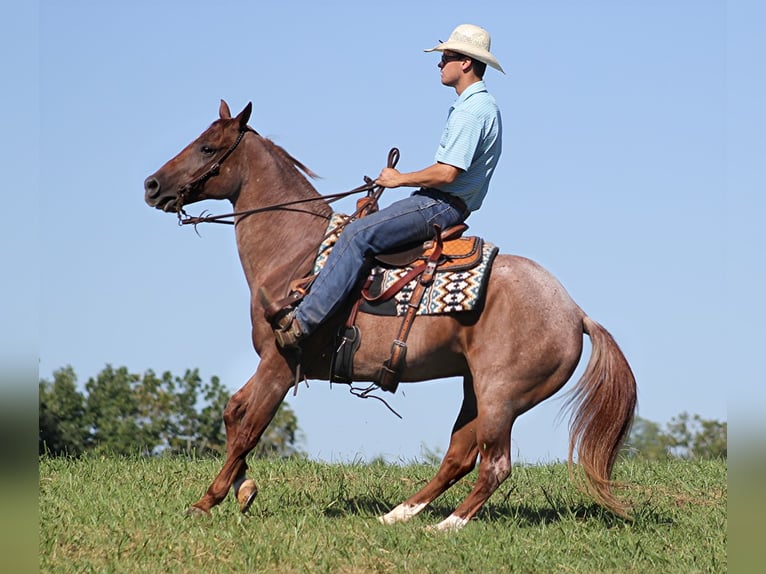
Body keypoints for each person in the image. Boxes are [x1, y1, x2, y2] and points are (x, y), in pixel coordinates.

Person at [273, 23, 504, 348]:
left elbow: (447, 173)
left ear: (465, 62)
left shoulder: (472, 110)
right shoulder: (481, 107)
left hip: (440, 203)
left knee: (356, 234)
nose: (439, 64)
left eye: (445, 57)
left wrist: (399, 180)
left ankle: (302, 324)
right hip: (445, 202)